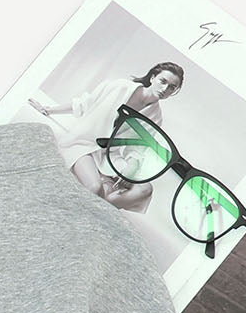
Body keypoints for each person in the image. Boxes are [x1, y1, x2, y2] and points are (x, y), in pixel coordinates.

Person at [29, 61, 185, 211]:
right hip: (83, 145)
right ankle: (102, 202)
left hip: (110, 157)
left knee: (145, 189)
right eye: (163, 81)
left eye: (172, 87)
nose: (165, 89)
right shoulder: (120, 87)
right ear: (152, 78)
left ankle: (102, 204)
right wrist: (49, 110)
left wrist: (132, 166)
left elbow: (137, 147)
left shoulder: (156, 116)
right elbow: (84, 103)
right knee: (95, 187)